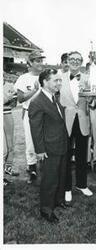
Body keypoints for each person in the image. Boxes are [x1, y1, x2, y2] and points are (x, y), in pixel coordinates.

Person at [28, 68, 68, 223]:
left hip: (61, 144)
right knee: (50, 180)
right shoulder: (37, 102)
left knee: (60, 176)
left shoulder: (53, 97)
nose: (59, 83)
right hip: (49, 148)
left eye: (60, 80)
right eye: (56, 80)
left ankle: (58, 201)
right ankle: (46, 209)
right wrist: (40, 150)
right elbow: (35, 129)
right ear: (45, 82)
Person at [59, 51, 93, 205]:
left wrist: (92, 100)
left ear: (81, 62)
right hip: (65, 121)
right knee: (65, 156)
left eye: (77, 60)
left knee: (81, 155)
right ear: (67, 61)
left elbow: (92, 103)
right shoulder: (59, 78)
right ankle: (66, 188)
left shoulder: (87, 78)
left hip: (82, 120)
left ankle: (81, 184)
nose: (74, 62)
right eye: (71, 59)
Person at [14, 50, 45, 184]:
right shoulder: (23, 78)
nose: (40, 63)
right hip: (30, 111)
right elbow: (20, 99)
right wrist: (34, 90)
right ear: (30, 63)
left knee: (46, 139)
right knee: (31, 141)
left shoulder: (46, 76)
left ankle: (44, 166)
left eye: (41, 60)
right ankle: (32, 168)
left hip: (45, 113)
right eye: (37, 60)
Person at [3, 79, 19, 185]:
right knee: (3, 149)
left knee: (10, 146)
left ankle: (7, 171)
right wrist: (5, 99)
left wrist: (7, 99)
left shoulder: (9, 85)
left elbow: (14, 103)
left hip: (7, 114)